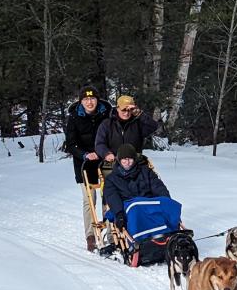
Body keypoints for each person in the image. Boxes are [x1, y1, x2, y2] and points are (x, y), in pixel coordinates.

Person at [63, 85, 111, 251]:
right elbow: (70, 144)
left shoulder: (107, 113)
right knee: (89, 199)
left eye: (92, 99)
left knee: (109, 197)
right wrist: (85, 154)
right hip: (84, 163)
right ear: (81, 101)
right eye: (86, 99)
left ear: (97, 100)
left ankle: (111, 233)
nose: (89, 102)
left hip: (104, 161)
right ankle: (90, 235)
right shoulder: (75, 117)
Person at [101, 144, 173, 230]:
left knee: (168, 211)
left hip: (149, 206)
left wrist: (166, 202)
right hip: (129, 211)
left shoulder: (146, 171)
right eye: (124, 159)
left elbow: (158, 187)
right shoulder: (111, 179)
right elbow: (113, 197)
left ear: (134, 159)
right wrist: (119, 213)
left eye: (130, 159)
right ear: (119, 160)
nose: (127, 162)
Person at [95, 93, 159, 164]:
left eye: (129, 110)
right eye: (123, 110)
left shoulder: (138, 124)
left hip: (134, 163)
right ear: (117, 108)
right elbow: (99, 144)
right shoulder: (106, 124)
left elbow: (153, 126)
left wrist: (140, 114)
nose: (126, 113)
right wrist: (106, 153)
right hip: (113, 163)